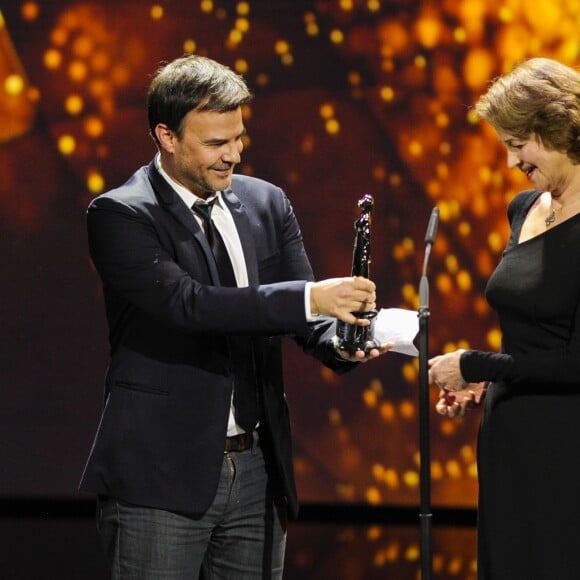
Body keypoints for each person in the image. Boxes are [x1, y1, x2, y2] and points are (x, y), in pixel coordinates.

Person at [79, 54, 390, 579]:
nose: (233, 156)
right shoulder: (122, 214)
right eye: (216, 144)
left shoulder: (265, 203)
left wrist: (338, 341)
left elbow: (302, 318)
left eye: (238, 138)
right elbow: (190, 305)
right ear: (166, 136)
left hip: (256, 472)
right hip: (162, 473)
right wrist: (314, 298)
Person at [428, 57, 580, 580]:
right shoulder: (524, 207)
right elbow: (528, 333)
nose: (512, 160)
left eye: (519, 144)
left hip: (565, 445)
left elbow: (575, 362)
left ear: (556, 130)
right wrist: (482, 385)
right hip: (507, 433)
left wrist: (477, 365)